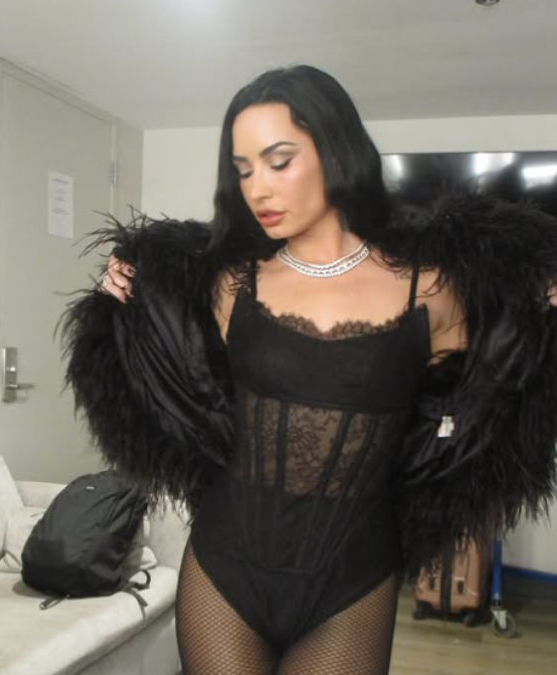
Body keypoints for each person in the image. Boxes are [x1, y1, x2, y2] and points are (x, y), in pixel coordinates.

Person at [63, 65, 557, 674]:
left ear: (335, 151)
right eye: (243, 170)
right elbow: (172, 357)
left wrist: (540, 303)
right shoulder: (230, 284)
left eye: (278, 161)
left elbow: (496, 377)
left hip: (352, 583)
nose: (258, 189)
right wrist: (124, 290)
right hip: (224, 570)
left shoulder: (429, 290)